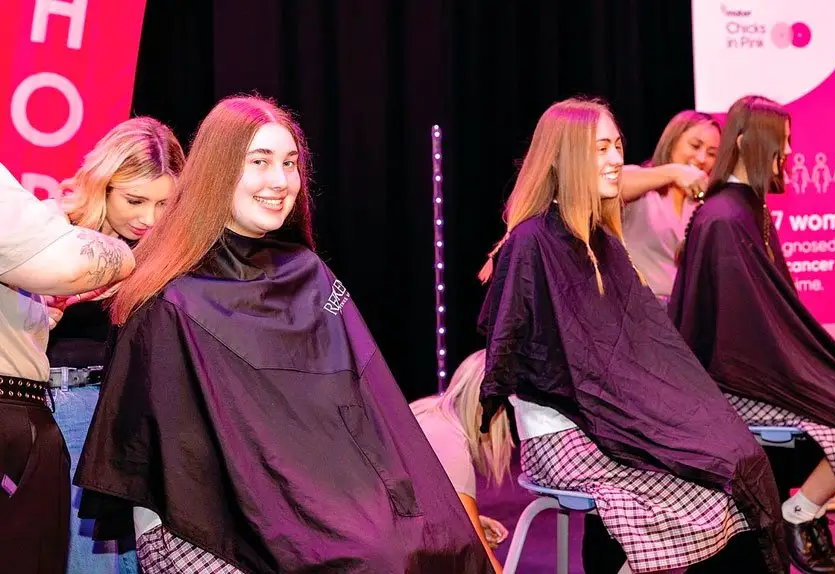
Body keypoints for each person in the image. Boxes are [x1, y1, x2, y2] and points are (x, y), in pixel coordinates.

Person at [74, 96, 492, 573]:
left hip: (303, 509)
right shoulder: (169, 297)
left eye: (290, 163)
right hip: (201, 527)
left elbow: (365, 411)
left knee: (437, 545)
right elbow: (172, 463)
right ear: (218, 170)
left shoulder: (313, 279)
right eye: (260, 162)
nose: (280, 180)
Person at [477, 97, 787, 573]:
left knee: (737, 469)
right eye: (601, 148)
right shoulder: (532, 242)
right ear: (565, 156)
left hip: (609, 423)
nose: (617, 159)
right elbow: (522, 356)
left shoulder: (604, 245)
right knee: (706, 501)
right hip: (565, 436)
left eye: (618, 146)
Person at [670, 94, 835, 574]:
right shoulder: (724, 219)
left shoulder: (744, 212)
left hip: (755, 372)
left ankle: (802, 510)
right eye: (781, 146)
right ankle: (802, 512)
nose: (788, 156)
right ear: (749, 144)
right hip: (737, 384)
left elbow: (769, 317)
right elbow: (738, 335)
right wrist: (803, 371)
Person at [46, 117, 184, 574]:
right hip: (74, 404)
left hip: (145, 411)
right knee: (92, 559)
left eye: (165, 202)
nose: (149, 218)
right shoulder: (58, 234)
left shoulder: (177, 251)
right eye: (135, 200)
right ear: (102, 187)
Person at [0, 163, 134, 573]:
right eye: (135, 200)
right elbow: (66, 265)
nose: (148, 218)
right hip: (33, 405)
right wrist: (124, 257)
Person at [410, 350, 512, 573]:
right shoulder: (450, 441)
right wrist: (468, 525)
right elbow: (479, 557)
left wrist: (471, 521)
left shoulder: (428, 412)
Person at [621, 111, 721, 303]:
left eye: (711, 153)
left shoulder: (706, 203)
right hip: (639, 311)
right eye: (695, 146)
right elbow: (610, 185)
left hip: (685, 316)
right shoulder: (643, 184)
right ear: (673, 140)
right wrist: (674, 172)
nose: (701, 158)